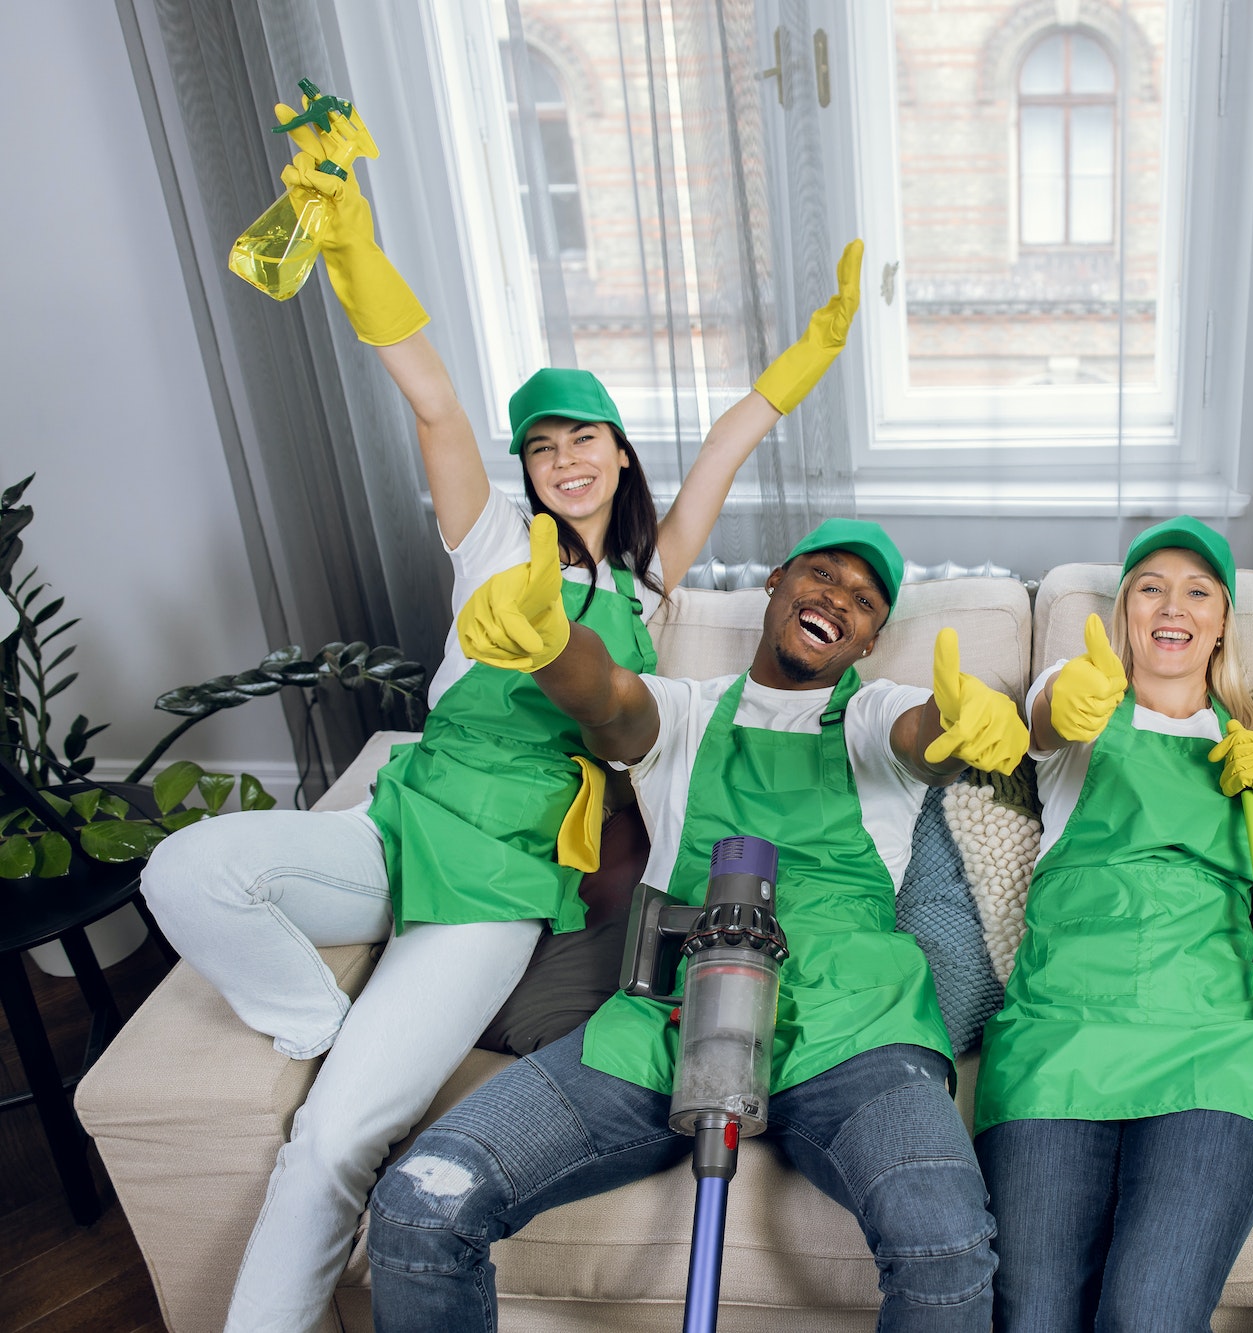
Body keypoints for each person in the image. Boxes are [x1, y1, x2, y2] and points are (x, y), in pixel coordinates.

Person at [140, 98, 867, 1333]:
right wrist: (353, 247)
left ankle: (346, 1099)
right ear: (523, 472)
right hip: (395, 828)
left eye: (584, 440)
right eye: (541, 449)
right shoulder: (484, 542)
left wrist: (817, 346)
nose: (564, 460)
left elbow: (728, 446)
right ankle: (330, 1028)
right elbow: (431, 402)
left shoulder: (646, 580)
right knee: (188, 866)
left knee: (331, 1142)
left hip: (498, 885)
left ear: (619, 455)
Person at [365, 515, 1029, 1331]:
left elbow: (922, 738)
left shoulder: (873, 717)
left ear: (869, 640)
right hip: (671, 1022)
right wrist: (551, 644)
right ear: (777, 579)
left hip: (853, 1023)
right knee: (421, 1203)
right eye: (823, 574)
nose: (838, 599)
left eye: (864, 601)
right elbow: (607, 696)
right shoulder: (683, 709)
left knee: (947, 1250)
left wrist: (958, 728)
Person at [971, 517, 1253, 1332]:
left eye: (1198, 590)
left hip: (1214, 1047)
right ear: (1124, 610)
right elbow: (1043, 720)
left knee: (1149, 1314)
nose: (1173, 605)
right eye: (1150, 587)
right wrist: (1063, 706)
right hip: (1061, 1037)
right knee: (1033, 1318)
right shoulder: (1083, 697)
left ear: (1222, 620)